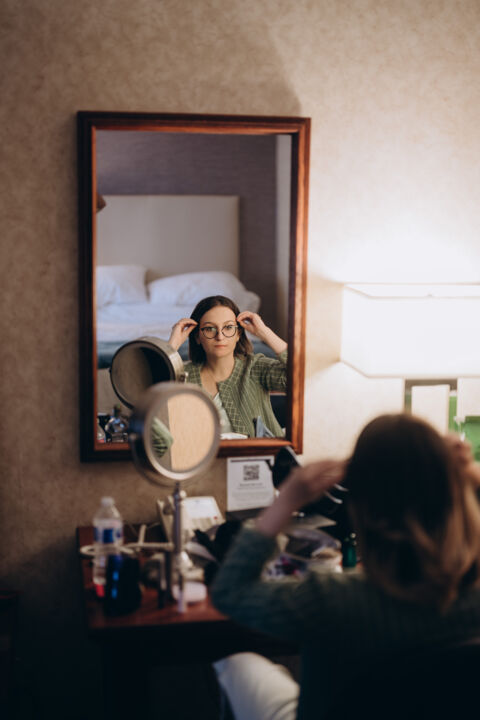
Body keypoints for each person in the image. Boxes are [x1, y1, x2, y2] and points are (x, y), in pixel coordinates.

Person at [210, 413, 480, 720]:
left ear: (362, 507)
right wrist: (465, 475)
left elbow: (229, 592)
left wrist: (288, 499)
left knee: (238, 664)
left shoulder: (331, 599)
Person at [168, 295, 287, 438]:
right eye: (210, 328)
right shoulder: (181, 375)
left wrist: (264, 332)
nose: (220, 336)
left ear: (238, 334)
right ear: (197, 337)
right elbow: (147, 396)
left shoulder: (255, 367)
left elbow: (301, 375)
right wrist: (171, 346)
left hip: (262, 452)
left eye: (228, 327)